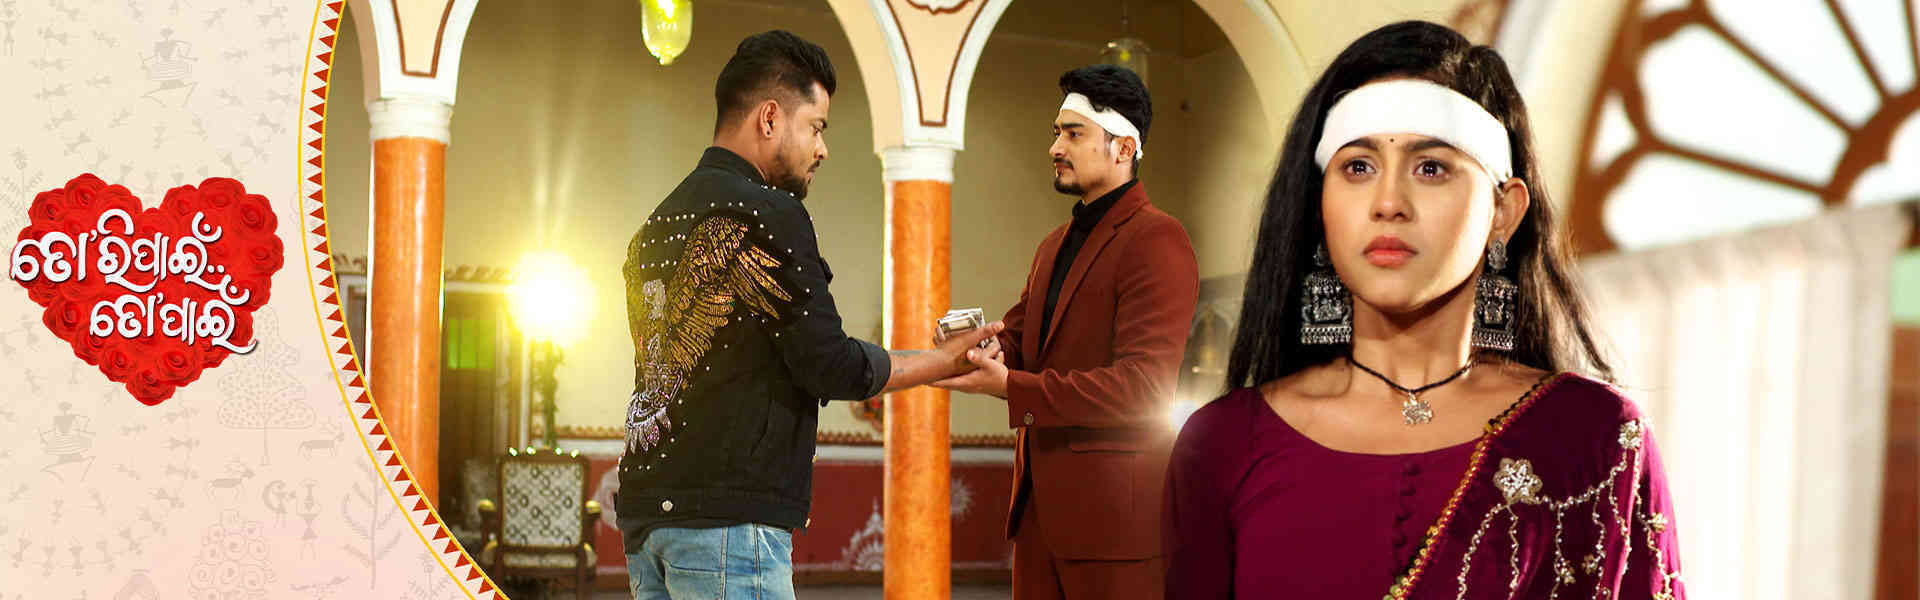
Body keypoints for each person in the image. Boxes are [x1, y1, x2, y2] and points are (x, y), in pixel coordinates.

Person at [1161, 21, 1685, 599]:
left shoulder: (1592, 436)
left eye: (1431, 168)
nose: (1388, 203)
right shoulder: (1226, 443)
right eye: (1358, 168)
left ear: (1503, 212)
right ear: (1319, 207)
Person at [616, 30, 1002, 600]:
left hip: (646, 519)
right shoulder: (767, 212)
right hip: (728, 527)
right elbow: (831, 365)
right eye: (816, 127)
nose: (822, 149)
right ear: (770, 117)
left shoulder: (653, 226)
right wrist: (942, 362)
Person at [935, 64, 1198, 600]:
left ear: (1124, 148)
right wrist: (984, 348)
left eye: (1074, 134)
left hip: (1115, 532)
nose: (1056, 147)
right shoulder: (1053, 245)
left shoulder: (1158, 240)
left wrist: (1011, 387)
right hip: (1037, 518)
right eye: (1057, 132)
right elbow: (1022, 338)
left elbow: (1143, 387)